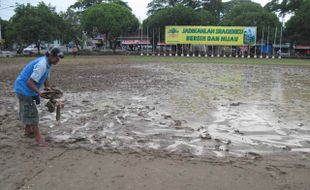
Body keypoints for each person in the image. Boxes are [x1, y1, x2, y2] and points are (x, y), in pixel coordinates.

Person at [14, 47, 64, 145]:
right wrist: (39, 93)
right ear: (51, 55)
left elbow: (45, 77)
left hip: (25, 89)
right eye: (57, 58)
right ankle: (38, 139)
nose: (58, 61)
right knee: (32, 113)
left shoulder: (48, 63)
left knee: (27, 110)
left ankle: (28, 131)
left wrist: (48, 88)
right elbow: (30, 82)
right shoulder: (42, 65)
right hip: (24, 89)